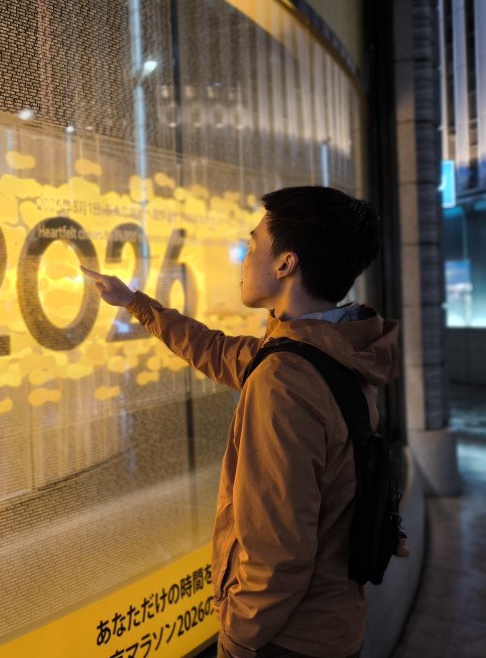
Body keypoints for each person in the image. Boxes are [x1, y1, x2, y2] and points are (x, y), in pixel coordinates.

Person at [81, 186, 400, 658]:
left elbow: (278, 551)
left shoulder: (286, 381)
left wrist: (236, 640)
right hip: (334, 623)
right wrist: (135, 303)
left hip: (287, 640)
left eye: (252, 246)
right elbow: (216, 350)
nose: (244, 260)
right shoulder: (336, 350)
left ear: (285, 264)